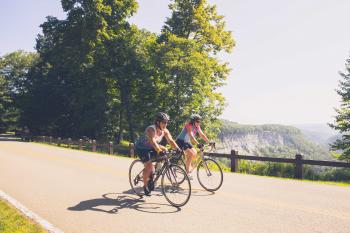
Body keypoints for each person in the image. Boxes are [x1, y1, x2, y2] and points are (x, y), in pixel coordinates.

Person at [135, 112, 181, 196]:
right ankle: (145, 186)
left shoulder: (165, 131)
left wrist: (178, 149)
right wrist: (159, 150)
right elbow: (153, 141)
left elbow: (171, 140)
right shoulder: (151, 129)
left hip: (152, 147)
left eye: (167, 122)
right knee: (149, 167)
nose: (165, 124)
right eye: (164, 122)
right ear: (158, 122)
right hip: (142, 148)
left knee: (166, 150)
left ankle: (156, 169)